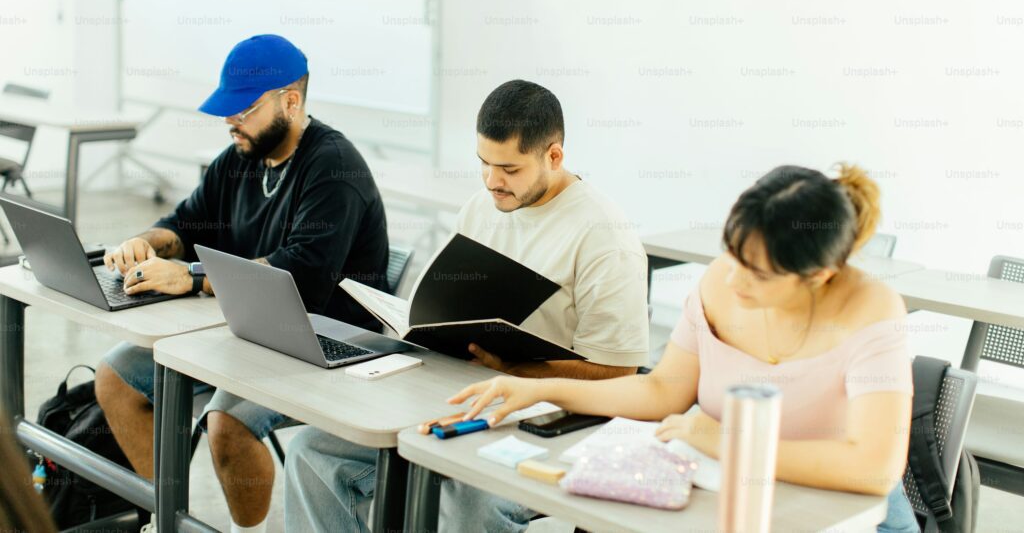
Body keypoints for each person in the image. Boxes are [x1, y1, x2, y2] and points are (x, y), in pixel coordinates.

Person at [447, 164, 919, 533]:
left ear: (817, 277)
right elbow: (661, 393)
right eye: (732, 255)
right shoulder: (720, 281)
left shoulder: (872, 311)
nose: (732, 280)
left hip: (846, 513)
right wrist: (543, 387)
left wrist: (728, 443)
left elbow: (873, 468)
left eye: (756, 273)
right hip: (733, 491)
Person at [284, 80, 651, 532]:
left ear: (554, 156)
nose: (493, 181)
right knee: (312, 452)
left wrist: (518, 373)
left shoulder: (605, 238)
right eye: (484, 163)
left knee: (467, 496)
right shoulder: (483, 208)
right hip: (460, 391)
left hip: (547, 412)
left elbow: (619, 375)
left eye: (510, 169)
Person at [94, 34, 390, 533]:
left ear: (290, 101)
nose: (230, 121)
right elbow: (186, 222)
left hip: (321, 343)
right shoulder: (241, 157)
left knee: (226, 422)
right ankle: (165, 520)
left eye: (244, 109)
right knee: (116, 378)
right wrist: (145, 242)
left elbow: (302, 275)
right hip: (244, 328)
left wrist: (189, 277)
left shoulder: (334, 167)